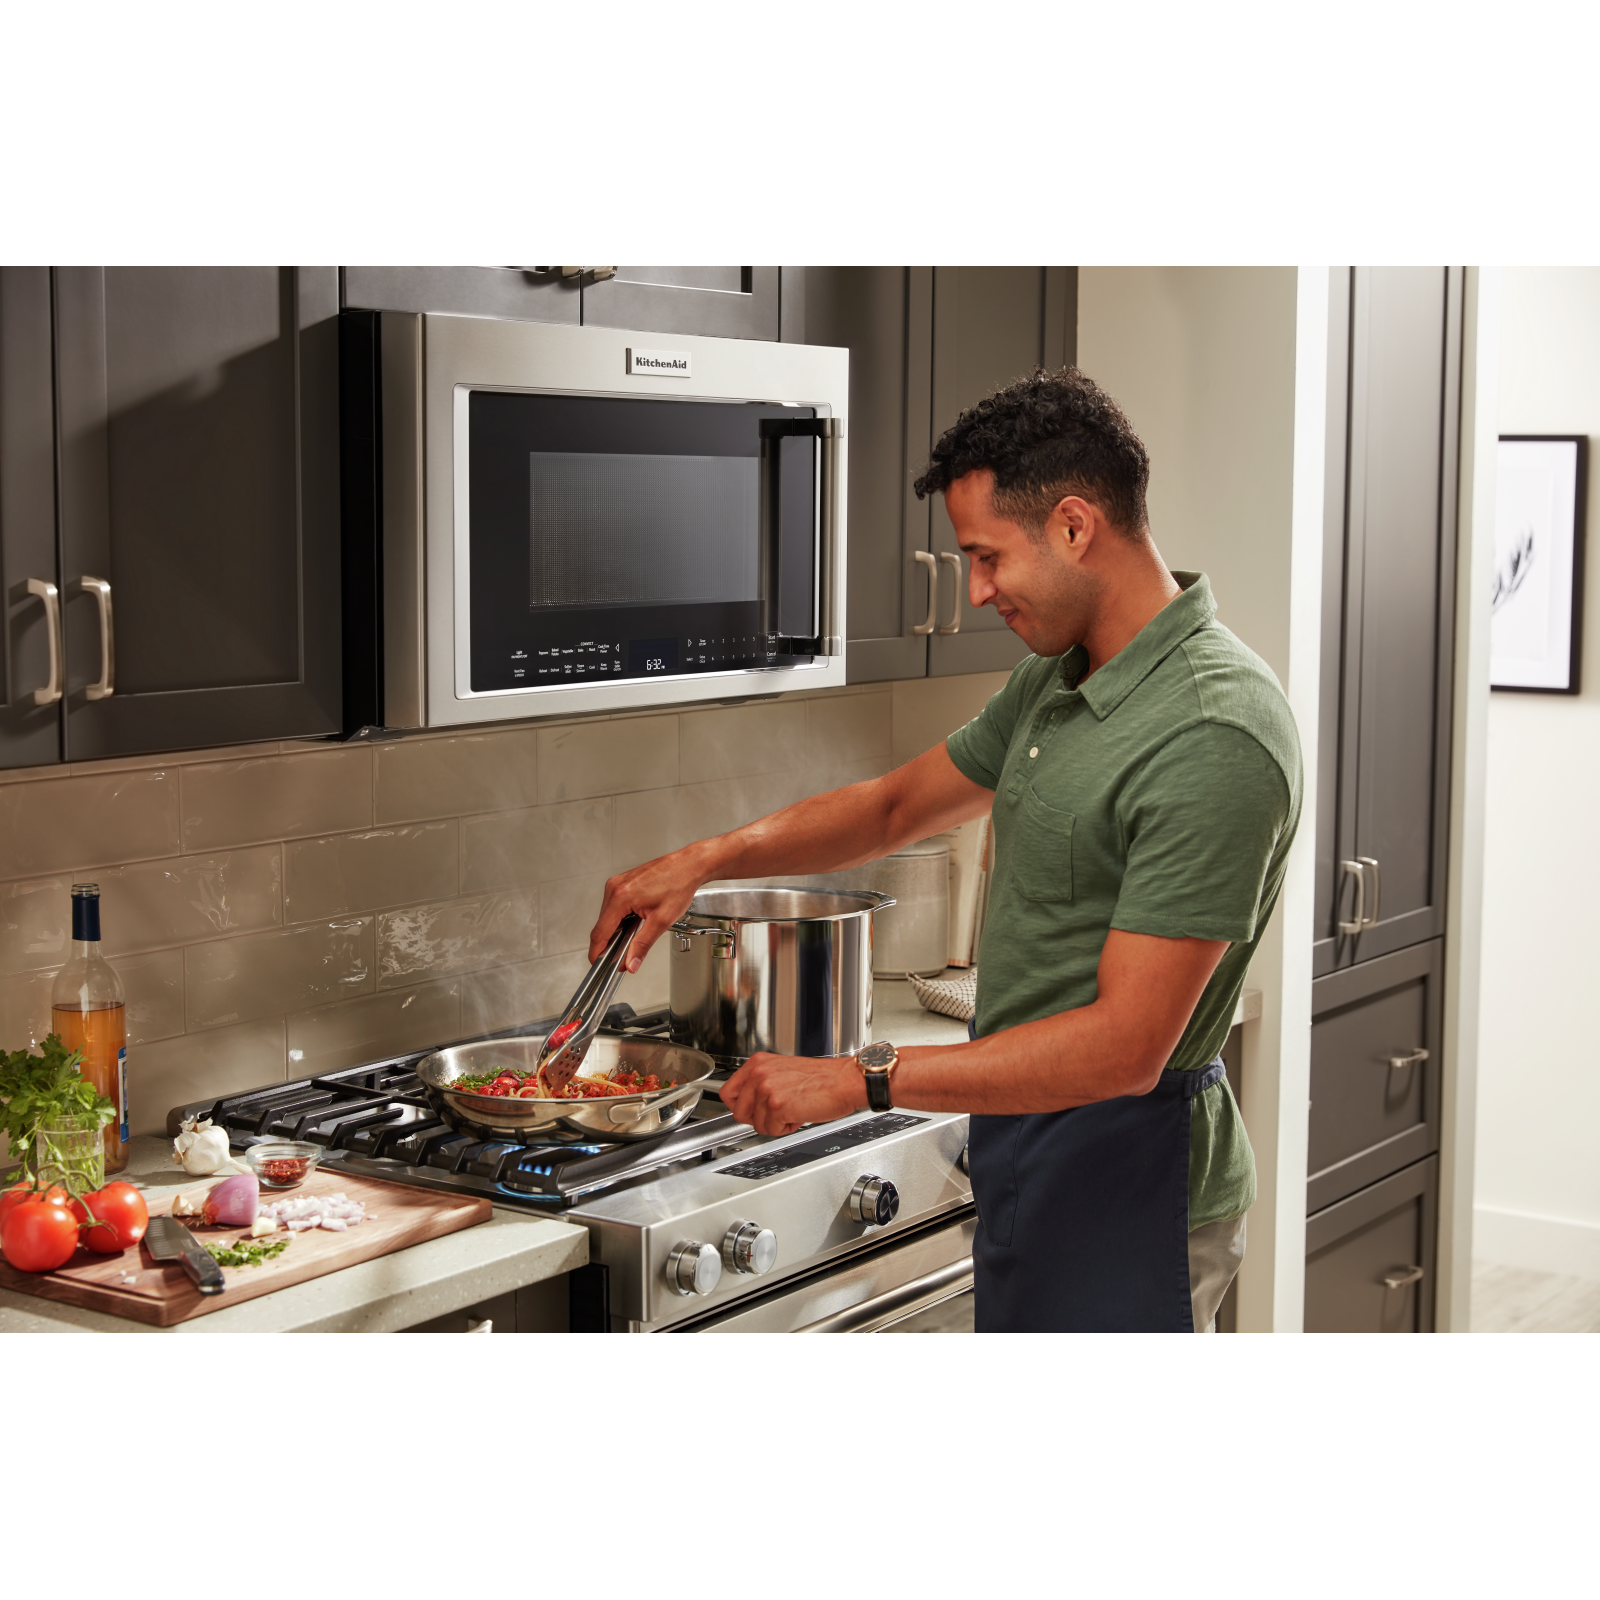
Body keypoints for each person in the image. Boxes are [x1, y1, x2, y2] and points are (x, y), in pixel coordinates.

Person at [587, 367, 1303, 1332]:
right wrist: (703, 861)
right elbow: (891, 809)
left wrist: (862, 1078)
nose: (975, 590)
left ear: (1074, 526)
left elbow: (1126, 1048)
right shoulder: (1060, 679)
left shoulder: (1214, 729)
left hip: (1134, 1185)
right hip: (1032, 1158)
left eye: (987, 556)